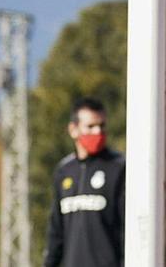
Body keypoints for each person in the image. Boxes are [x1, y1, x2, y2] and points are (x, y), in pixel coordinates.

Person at [43, 97, 124, 267]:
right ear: (74, 130)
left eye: (101, 126)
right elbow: (56, 233)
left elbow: (127, 229)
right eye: (90, 126)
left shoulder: (118, 168)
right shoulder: (64, 171)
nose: (97, 132)